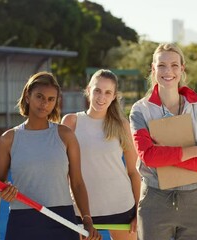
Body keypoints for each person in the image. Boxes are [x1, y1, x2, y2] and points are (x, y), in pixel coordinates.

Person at [129, 43, 197, 240]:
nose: (168, 71)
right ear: (153, 69)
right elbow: (148, 156)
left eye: (174, 65)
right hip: (155, 200)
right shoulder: (140, 110)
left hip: (196, 202)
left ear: (182, 68)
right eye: (161, 65)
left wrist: (164, 155)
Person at [0, 72, 100, 240]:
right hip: (23, 220)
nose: (45, 104)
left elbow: (77, 182)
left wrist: (87, 219)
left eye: (51, 99)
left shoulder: (65, 135)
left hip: (62, 219)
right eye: (40, 97)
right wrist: (4, 191)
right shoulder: (8, 139)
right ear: (28, 96)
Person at [61, 69, 140, 240]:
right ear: (88, 90)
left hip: (121, 206)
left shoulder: (122, 125)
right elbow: (63, 171)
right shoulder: (71, 122)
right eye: (97, 90)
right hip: (82, 211)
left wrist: (138, 212)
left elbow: (133, 172)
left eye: (107, 92)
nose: (101, 97)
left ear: (114, 96)